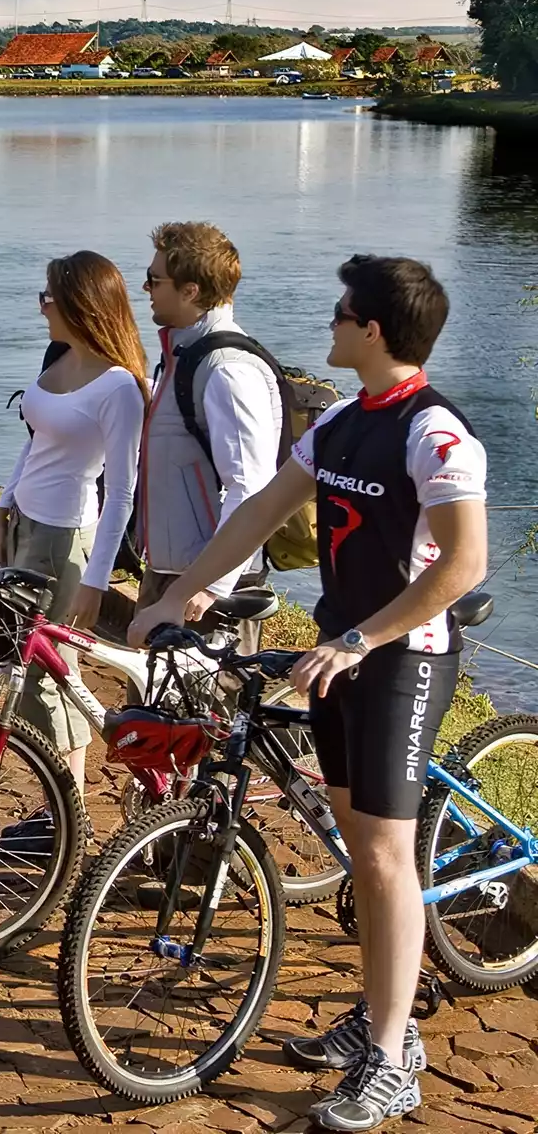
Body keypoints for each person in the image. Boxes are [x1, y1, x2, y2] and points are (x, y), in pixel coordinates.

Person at [131, 256, 487, 1132]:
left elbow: (464, 565)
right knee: (361, 848)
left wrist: (362, 639)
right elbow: (258, 511)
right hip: (337, 652)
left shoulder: (435, 433)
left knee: (384, 857)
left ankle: (393, 1059)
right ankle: (384, 1016)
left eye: (340, 312)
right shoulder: (338, 422)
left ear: (372, 330)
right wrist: (182, 595)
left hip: (400, 657)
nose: (328, 322)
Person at [0, 250, 147, 789]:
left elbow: (121, 493)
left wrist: (96, 581)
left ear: (81, 303)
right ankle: (63, 804)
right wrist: (0, 511)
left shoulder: (118, 387)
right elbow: (35, 445)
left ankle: (65, 803)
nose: (41, 307)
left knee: (43, 671)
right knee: (32, 663)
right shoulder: (58, 356)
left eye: (48, 298)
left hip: (65, 538)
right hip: (25, 524)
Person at [134, 222, 283, 646]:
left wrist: (211, 586)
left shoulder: (228, 370)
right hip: (173, 574)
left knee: (201, 693)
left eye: (154, 279)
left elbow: (251, 485)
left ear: (191, 291)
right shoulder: (184, 355)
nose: (146, 288)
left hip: (205, 591)